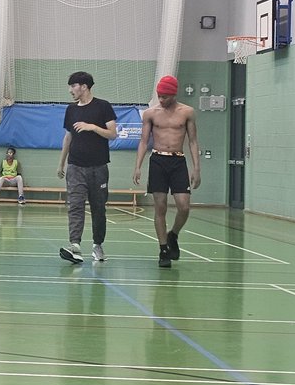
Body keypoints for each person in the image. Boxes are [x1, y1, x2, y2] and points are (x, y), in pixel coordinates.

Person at [132, 75, 201, 268]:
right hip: (158, 161)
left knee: (184, 206)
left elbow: (193, 141)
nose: (161, 100)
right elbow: (144, 141)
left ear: (174, 94)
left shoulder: (187, 112)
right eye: (159, 96)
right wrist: (138, 166)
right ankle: (163, 249)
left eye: (165, 97)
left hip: (178, 161)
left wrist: (196, 168)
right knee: (160, 206)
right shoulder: (150, 113)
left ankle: (174, 234)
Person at [57, 71, 117, 264]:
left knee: (99, 209)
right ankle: (74, 245)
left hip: (98, 168)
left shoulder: (103, 106)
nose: (70, 90)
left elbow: (112, 134)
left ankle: (97, 245)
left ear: (84, 87)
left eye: (73, 86)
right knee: (75, 206)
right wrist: (61, 163)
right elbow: (68, 137)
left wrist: (93, 127)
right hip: (75, 167)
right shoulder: (71, 110)